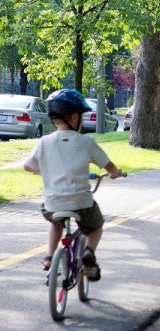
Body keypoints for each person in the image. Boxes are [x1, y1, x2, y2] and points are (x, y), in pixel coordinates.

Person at [23, 89, 124, 281]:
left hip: (53, 203)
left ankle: (50, 256)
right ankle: (88, 253)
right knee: (96, 226)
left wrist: (41, 170)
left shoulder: (44, 142)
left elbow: (28, 166)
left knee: (55, 223)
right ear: (75, 117)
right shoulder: (86, 142)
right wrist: (115, 172)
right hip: (81, 202)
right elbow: (108, 165)